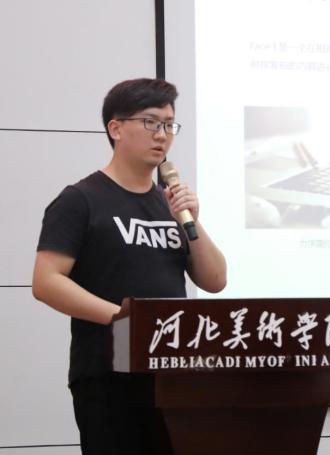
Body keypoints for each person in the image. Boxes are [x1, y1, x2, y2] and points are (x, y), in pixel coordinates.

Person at [32, 78, 227, 454]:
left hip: (173, 373)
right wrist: (128, 321)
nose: (162, 135)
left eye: (169, 124)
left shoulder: (170, 205)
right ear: (116, 128)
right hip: (109, 374)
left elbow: (216, 280)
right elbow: (46, 281)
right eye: (150, 122)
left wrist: (192, 221)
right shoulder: (80, 200)